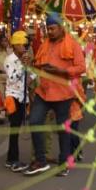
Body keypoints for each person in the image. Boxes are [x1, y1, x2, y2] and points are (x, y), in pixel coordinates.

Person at [26, 13, 85, 176]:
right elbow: (38, 65)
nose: (49, 32)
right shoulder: (45, 44)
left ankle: (63, 163)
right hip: (43, 91)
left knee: (62, 130)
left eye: (52, 29)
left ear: (61, 28)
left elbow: (81, 68)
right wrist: (30, 64)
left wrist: (62, 71)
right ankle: (40, 160)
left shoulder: (73, 44)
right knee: (34, 121)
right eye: (47, 29)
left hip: (63, 93)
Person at [4, 30, 31, 170]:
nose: (24, 47)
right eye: (21, 44)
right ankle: (13, 160)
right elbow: (12, 78)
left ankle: (12, 158)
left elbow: (30, 77)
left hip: (22, 96)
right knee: (14, 129)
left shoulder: (25, 58)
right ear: (15, 45)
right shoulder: (10, 60)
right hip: (12, 96)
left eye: (25, 44)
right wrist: (22, 65)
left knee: (17, 128)